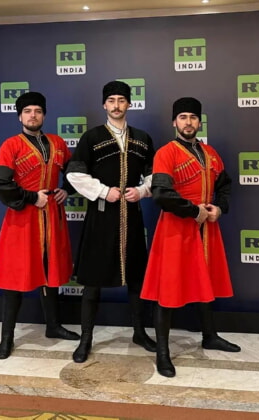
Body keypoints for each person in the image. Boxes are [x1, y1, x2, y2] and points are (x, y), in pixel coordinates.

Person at [141, 97, 241, 378]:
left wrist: (219, 208)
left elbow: (225, 185)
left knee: (205, 280)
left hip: (207, 228)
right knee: (168, 290)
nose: (188, 122)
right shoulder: (166, 153)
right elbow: (162, 194)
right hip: (175, 229)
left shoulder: (210, 153)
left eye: (193, 117)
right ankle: (162, 352)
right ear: (174, 122)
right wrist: (194, 211)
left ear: (199, 122)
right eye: (183, 117)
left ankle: (210, 336)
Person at [65, 80, 157, 363]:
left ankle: (139, 332)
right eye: (112, 100)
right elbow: (74, 174)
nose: (117, 106)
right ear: (104, 104)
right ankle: (86, 339)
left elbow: (155, 175)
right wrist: (105, 191)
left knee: (136, 279)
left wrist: (141, 191)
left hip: (133, 217)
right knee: (92, 281)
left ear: (129, 104)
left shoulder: (142, 138)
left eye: (121, 100)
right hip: (101, 217)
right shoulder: (91, 137)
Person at [0, 91, 81, 360]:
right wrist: (31, 197)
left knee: (51, 271)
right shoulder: (11, 146)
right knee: (15, 277)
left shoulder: (57, 143)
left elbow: (76, 171)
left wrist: (67, 190)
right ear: (20, 116)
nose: (33, 115)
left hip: (52, 217)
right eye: (28, 111)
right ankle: (7, 338)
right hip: (22, 220)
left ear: (44, 115)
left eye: (38, 111)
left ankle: (52, 326)